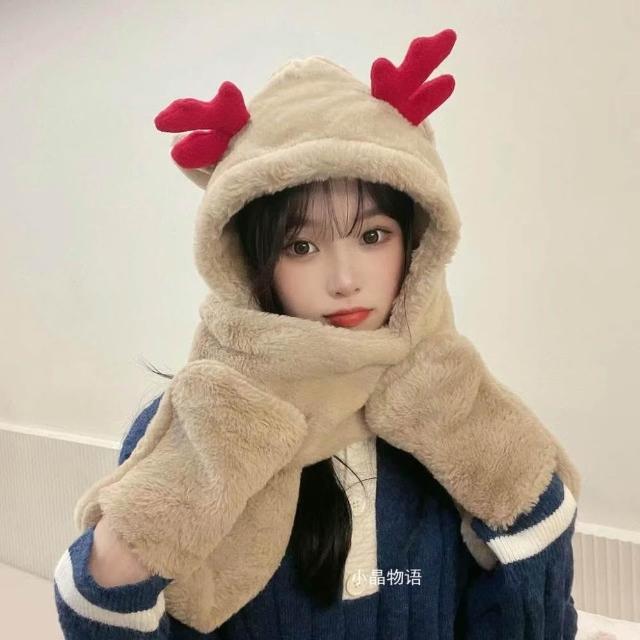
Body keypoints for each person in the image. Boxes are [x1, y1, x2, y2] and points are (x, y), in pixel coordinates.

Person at [53, 29, 581, 639]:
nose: (345, 280)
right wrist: (128, 550)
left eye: (373, 235)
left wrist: (509, 481)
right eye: (301, 246)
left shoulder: (458, 411)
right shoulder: (196, 428)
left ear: (417, 242)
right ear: (252, 263)